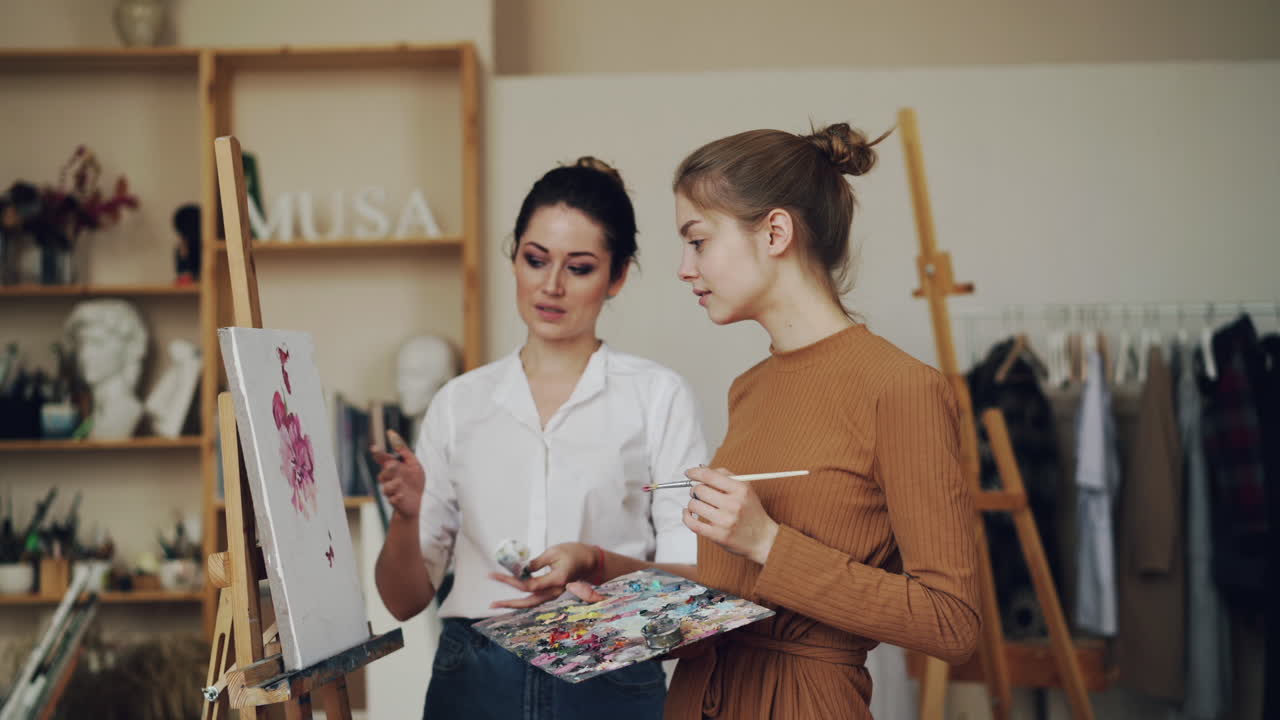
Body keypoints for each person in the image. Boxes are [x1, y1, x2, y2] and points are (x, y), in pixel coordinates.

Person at [658, 123, 982, 719]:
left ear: (775, 232)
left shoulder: (902, 388)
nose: (683, 267)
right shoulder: (749, 389)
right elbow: (738, 594)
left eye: (697, 241)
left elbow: (952, 622)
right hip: (698, 696)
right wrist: (611, 574)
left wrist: (770, 543)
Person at [372, 157, 708, 720]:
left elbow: (689, 591)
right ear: (515, 259)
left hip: (610, 664)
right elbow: (403, 600)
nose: (550, 286)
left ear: (617, 276)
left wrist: (596, 565)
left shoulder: (658, 396)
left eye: (579, 268)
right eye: (535, 260)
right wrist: (406, 517)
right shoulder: (459, 403)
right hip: (475, 675)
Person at [63, 298, 148, 439]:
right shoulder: (95, 411)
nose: (85, 354)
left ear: (127, 349)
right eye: (82, 344)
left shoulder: (124, 410)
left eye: (97, 343)